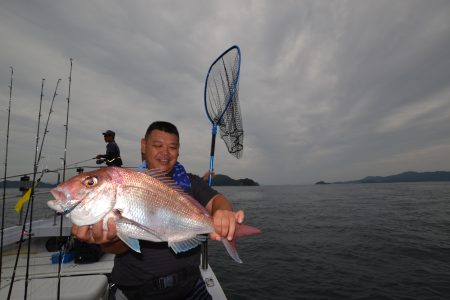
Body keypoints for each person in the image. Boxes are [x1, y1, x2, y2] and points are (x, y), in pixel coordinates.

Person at [72, 121, 245, 300]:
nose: (165, 153)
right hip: (138, 292)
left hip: (191, 287)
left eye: (172, 147)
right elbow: (121, 245)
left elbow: (217, 200)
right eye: (157, 145)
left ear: (178, 151)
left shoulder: (190, 182)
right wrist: (108, 241)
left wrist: (223, 213)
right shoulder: (127, 184)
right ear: (143, 145)